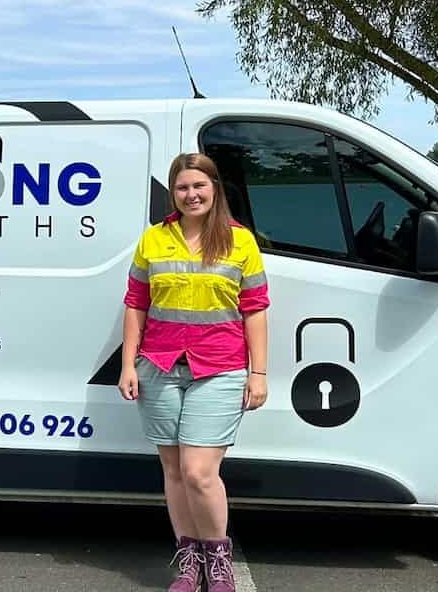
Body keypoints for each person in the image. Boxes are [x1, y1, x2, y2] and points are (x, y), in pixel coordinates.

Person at [119, 152, 270, 592]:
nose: (191, 194)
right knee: (173, 471)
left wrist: (258, 373)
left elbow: (255, 310)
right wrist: (129, 365)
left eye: (199, 186)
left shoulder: (240, 241)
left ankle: (217, 561)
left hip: (219, 368)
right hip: (159, 366)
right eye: (182, 187)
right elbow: (136, 304)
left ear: (215, 189)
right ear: (174, 193)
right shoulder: (153, 239)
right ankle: (190, 563)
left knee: (200, 472)